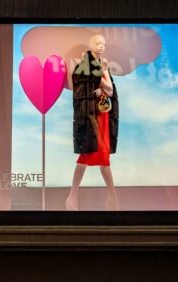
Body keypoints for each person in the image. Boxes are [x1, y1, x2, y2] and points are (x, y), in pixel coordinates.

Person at [66, 34, 120, 211]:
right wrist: (95, 88)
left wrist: (102, 76)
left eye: (103, 43)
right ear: (91, 45)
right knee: (86, 154)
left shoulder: (102, 64)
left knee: (103, 157)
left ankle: (112, 198)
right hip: (90, 116)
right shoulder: (83, 66)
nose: (102, 46)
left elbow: (110, 90)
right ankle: (72, 196)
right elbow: (81, 89)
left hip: (102, 113)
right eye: (98, 43)